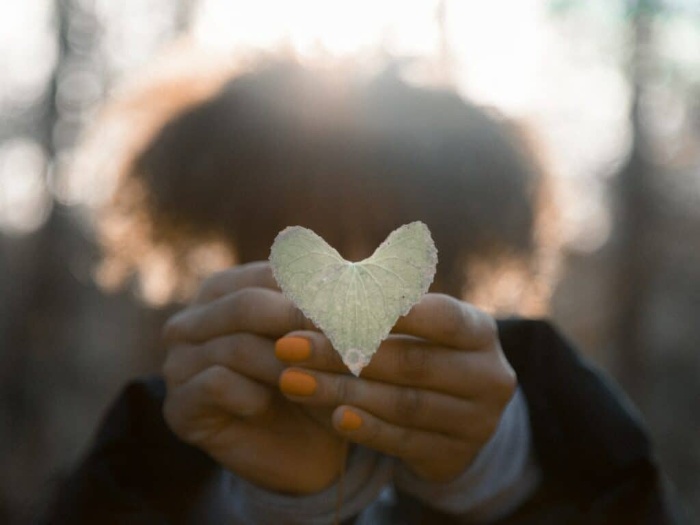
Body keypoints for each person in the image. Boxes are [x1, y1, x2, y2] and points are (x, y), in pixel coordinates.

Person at [42, 57, 681, 524]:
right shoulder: (145, 453)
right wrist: (269, 502)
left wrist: (490, 470)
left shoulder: (571, 431)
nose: (349, 268)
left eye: (385, 237)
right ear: (235, 248)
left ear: (456, 257)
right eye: (296, 234)